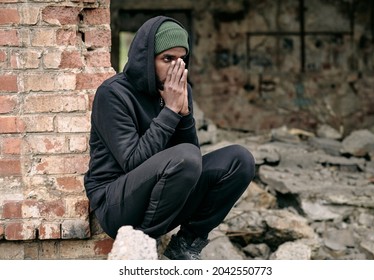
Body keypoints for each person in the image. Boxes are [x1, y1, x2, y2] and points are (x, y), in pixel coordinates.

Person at [84, 15, 255, 260]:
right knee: (185, 158)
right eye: (167, 59)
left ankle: (185, 245)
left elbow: (192, 157)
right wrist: (170, 111)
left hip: (164, 199)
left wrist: (184, 116)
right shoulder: (113, 94)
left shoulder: (179, 91)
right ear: (146, 59)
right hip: (117, 205)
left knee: (240, 159)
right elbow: (132, 162)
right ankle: (143, 247)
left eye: (181, 59)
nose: (177, 67)